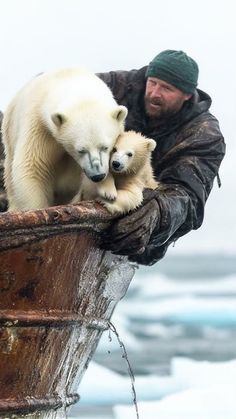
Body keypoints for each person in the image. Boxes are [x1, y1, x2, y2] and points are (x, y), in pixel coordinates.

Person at [97, 49, 226, 265]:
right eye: (153, 82)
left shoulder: (204, 134)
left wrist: (158, 212)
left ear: (187, 95)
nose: (155, 93)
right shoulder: (115, 87)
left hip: (139, 233)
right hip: (90, 189)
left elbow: (188, 198)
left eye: (167, 88)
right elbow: (66, 89)